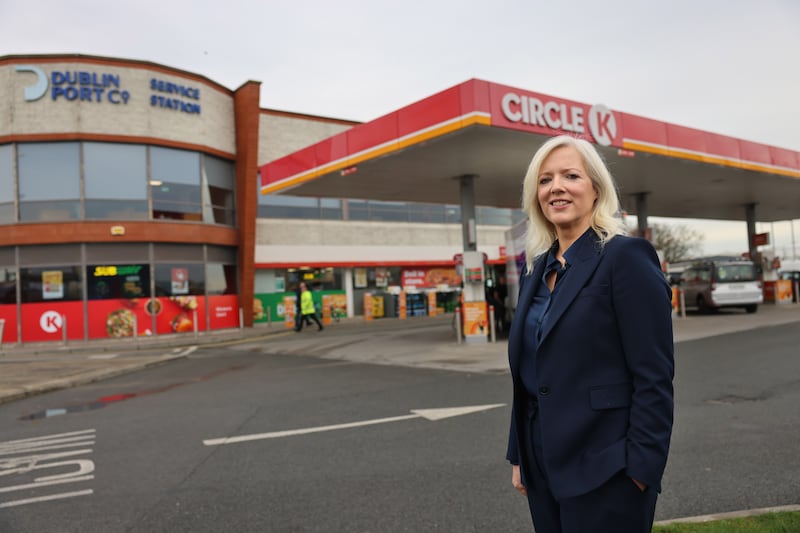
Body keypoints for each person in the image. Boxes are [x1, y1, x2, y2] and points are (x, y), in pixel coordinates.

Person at [506, 135, 674, 533]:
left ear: (596, 189)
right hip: (542, 465)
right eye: (545, 180)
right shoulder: (535, 270)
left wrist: (641, 470)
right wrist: (520, 456)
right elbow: (530, 374)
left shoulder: (625, 258)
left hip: (608, 468)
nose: (556, 187)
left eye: (570, 175)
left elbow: (654, 375)